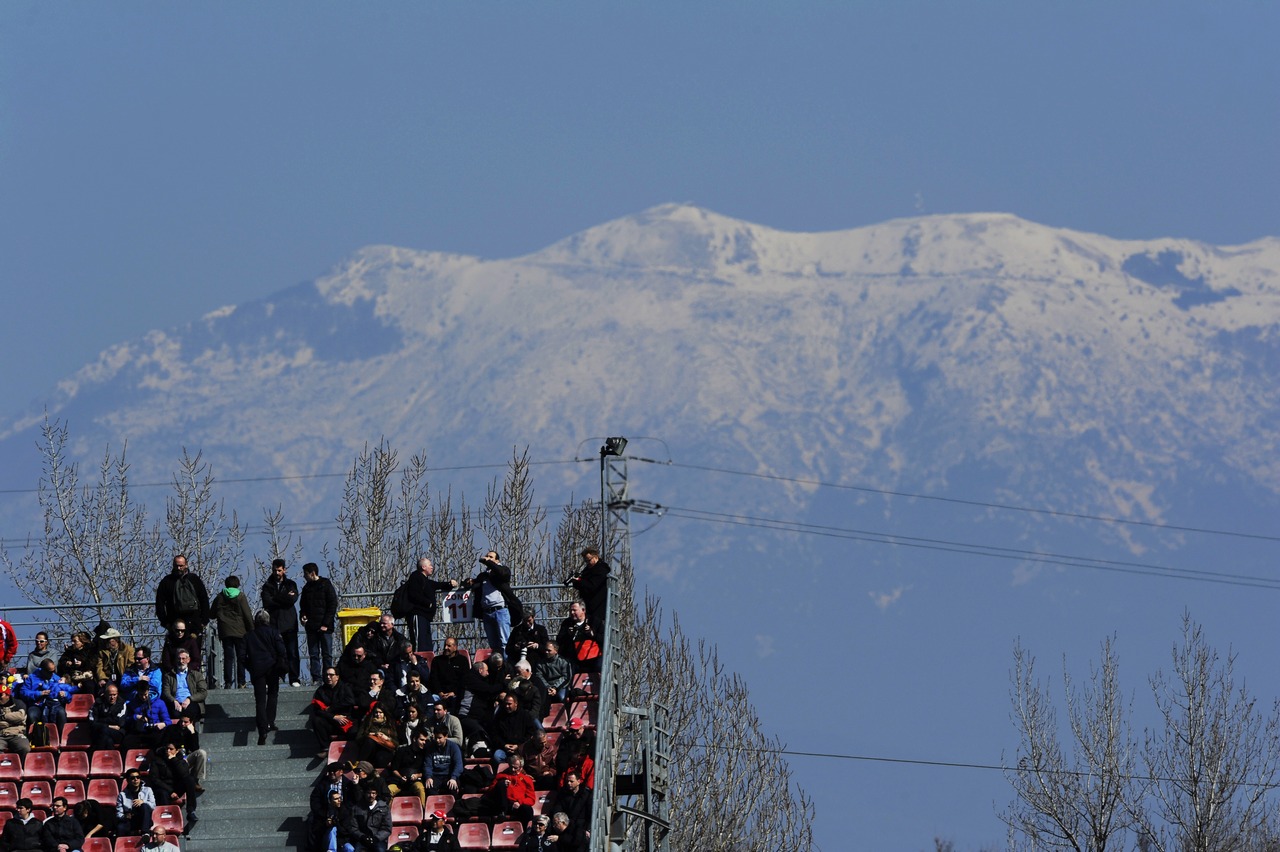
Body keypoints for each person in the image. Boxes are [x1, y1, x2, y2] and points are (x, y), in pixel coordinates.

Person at [245, 609, 287, 744]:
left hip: (257, 670)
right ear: (268, 620)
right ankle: (270, 721)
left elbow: (241, 656)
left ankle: (262, 729)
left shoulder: (249, 636)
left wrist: (250, 667)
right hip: (273, 668)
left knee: (260, 700)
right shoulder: (274, 632)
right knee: (273, 695)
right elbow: (282, 650)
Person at [470, 550, 522, 654]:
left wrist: (489, 562)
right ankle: (497, 666)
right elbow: (475, 582)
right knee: (493, 644)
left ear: (497, 560)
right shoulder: (483, 575)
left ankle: (507, 666)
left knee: (504, 642)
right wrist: (468, 582)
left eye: (491, 557)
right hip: (487, 613)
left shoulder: (503, 570)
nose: (488, 558)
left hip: (500, 611)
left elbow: (503, 574)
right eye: (487, 556)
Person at [403, 557, 457, 654]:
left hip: (425, 616)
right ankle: (417, 662)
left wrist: (450, 584)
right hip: (418, 614)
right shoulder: (415, 577)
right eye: (430, 565)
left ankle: (426, 664)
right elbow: (413, 594)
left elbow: (437, 585)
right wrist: (428, 603)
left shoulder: (426, 581)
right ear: (423, 567)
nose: (432, 567)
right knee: (419, 642)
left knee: (426, 644)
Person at [210, 574, 254, 689]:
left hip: (225, 631)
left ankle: (228, 682)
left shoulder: (220, 597)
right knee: (241, 657)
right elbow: (247, 614)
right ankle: (241, 682)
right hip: (240, 631)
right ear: (237, 584)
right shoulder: (240, 596)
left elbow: (212, 614)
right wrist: (252, 629)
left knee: (228, 657)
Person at [262, 558, 302, 687]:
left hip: (289, 624)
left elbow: (292, 600)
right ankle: (274, 678)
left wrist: (276, 598)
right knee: (273, 653)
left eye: (279, 570)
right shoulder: (267, 585)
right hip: (273, 624)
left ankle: (294, 678)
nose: (277, 573)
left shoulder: (291, 584)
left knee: (292, 653)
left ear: (284, 570)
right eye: (274, 570)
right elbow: (267, 602)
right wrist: (284, 597)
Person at [300, 562, 340, 685]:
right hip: (311, 627)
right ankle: (316, 678)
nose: (304, 577)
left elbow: (332, 605)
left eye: (306, 574)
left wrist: (326, 624)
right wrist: (303, 616)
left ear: (312, 573)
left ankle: (328, 677)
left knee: (327, 654)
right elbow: (303, 606)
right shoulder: (306, 588)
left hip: (325, 627)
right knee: (314, 654)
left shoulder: (326, 585)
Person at [147, 739, 199, 832]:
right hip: (163, 788)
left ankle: (191, 810)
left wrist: (174, 760)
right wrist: (170, 791)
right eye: (167, 749)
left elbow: (184, 774)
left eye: (171, 749)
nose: (168, 751)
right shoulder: (157, 760)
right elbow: (155, 779)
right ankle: (165, 821)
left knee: (190, 780)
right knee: (162, 793)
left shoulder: (180, 761)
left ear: (177, 750)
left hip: (176, 787)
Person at [155, 554, 210, 635]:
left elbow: (203, 599)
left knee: (190, 646)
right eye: (176, 566)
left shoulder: (167, 581)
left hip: (187, 622)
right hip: (179, 622)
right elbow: (160, 603)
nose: (178, 568)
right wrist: (204, 621)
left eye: (181, 565)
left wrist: (204, 621)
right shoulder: (194, 579)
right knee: (191, 646)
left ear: (186, 565)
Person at [309, 667, 360, 755]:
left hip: (346, 719)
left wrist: (332, 708)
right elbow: (318, 710)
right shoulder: (320, 691)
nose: (328, 677)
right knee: (317, 720)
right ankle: (325, 748)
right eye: (326, 675)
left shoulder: (345, 687)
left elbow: (350, 701)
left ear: (337, 677)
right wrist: (334, 717)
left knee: (355, 730)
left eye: (331, 675)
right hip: (330, 720)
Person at [159, 712, 209, 793]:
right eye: (181, 721)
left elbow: (195, 749)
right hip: (173, 758)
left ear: (191, 722)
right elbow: (163, 745)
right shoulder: (171, 729)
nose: (182, 724)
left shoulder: (192, 732)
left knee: (201, 753)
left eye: (186, 722)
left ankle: (195, 780)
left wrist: (192, 733)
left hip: (186, 758)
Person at [567, 547, 611, 635]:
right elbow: (584, 583)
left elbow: (592, 585)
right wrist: (576, 581)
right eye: (586, 561)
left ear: (595, 557)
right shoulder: (587, 569)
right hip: (588, 604)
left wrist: (579, 580)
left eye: (589, 560)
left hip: (598, 604)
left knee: (597, 628)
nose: (588, 563)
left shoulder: (602, 569)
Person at [487, 693, 539, 766]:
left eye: (509, 704)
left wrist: (518, 745)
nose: (507, 706)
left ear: (516, 704)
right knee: (497, 755)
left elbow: (530, 733)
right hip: (505, 749)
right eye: (505, 704)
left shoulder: (525, 715)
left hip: (521, 748)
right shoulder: (499, 717)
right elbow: (494, 734)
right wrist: (504, 745)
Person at [385, 727, 431, 807]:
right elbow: (394, 769)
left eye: (425, 740)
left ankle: (423, 813)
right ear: (414, 739)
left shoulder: (425, 754)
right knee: (389, 790)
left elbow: (426, 771)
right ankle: (386, 814)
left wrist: (417, 775)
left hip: (414, 781)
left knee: (420, 788)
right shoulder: (401, 751)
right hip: (398, 781)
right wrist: (400, 777)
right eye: (422, 740)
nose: (424, 743)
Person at [17, 657, 72, 725]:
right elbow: (23, 693)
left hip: (53, 705)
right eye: (50, 672)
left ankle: (61, 734)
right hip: (37, 705)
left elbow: (67, 694)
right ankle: (36, 734)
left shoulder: (56, 678)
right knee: (32, 715)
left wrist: (64, 694)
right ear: (43, 670)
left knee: (61, 713)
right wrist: (39, 693)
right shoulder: (31, 678)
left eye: (53, 671)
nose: (52, 674)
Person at [340, 782, 391, 852]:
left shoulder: (384, 808)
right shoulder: (357, 808)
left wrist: (376, 838)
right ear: (364, 794)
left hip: (378, 840)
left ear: (376, 794)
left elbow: (387, 828)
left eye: (373, 793)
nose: (371, 795)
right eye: (368, 793)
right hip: (362, 840)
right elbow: (353, 827)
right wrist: (362, 837)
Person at [161, 649, 208, 722]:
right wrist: (174, 701)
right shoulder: (169, 676)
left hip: (192, 702)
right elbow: (166, 692)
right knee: (174, 713)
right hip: (175, 703)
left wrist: (189, 699)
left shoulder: (196, 675)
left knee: (190, 713)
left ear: (188, 660)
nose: (181, 661)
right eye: (179, 659)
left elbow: (203, 692)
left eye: (183, 658)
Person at [555, 602, 600, 676]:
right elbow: (559, 641)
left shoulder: (594, 621)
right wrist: (568, 635)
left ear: (583, 610)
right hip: (574, 659)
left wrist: (592, 634)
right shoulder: (567, 623)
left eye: (574, 610)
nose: (572, 613)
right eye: (570, 611)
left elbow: (602, 639)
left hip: (593, 658)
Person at [425, 637, 467, 712]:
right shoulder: (437, 660)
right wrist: (440, 692)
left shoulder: (463, 661)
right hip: (438, 694)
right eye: (445, 645)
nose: (445, 648)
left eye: (449, 646)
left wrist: (454, 692)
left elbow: (464, 680)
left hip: (456, 694)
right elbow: (434, 679)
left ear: (455, 647)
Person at [127, 681, 172, 749]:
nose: (143, 697)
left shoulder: (159, 703)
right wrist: (136, 717)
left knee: (159, 740)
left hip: (155, 731)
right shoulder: (133, 703)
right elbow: (126, 719)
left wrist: (163, 724)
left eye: (145, 694)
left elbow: (168, 721)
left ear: (148, 691)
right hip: (139, 731)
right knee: (127, 741)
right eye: (141, 695)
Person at [422, 724, 463, 796]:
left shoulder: (454, 747)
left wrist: (453, 777)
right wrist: (429, 777)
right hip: (435, 776)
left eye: (440, 738)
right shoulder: (430, 747)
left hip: (449, 776)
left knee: (453, 788)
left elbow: (458, 764)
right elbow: (427, 765)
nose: (437, 740)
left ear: (446, 736)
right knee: (429, 788)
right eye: (436, 737)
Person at [89, 681, 130, 749]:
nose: (112, 697)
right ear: (105, 694)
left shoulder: (122, 704)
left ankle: (95, 754)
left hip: (117, 733)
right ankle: (111, 757)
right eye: (110, 695)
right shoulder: (97, 704)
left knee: (103, 731)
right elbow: (92, 723)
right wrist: (109, 725)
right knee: (108, 741)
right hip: (100, 732)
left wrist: (101, 721)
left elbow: (120, 722)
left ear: (117, 694)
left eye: (114, 695)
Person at [117, 770, 156, 836]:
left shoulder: (148, 790)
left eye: (138, 777)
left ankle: (145, 833)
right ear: (127, 780)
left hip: (144, 818)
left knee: (144, 806)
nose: (136, 779)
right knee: (120, 827)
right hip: (131, 820)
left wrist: (143, 801)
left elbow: (153, 806)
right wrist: (125, 816)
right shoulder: (122, 795)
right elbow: (118, 813)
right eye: (132, 778)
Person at [0, 683, 30, 756]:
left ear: (7, 695)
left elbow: (20, 717)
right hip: (1, 735)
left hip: (16, 734)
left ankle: (21, 766)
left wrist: (3, 716)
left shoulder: (19, 703)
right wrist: (12, 720)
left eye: (0, 695)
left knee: (25, 748)